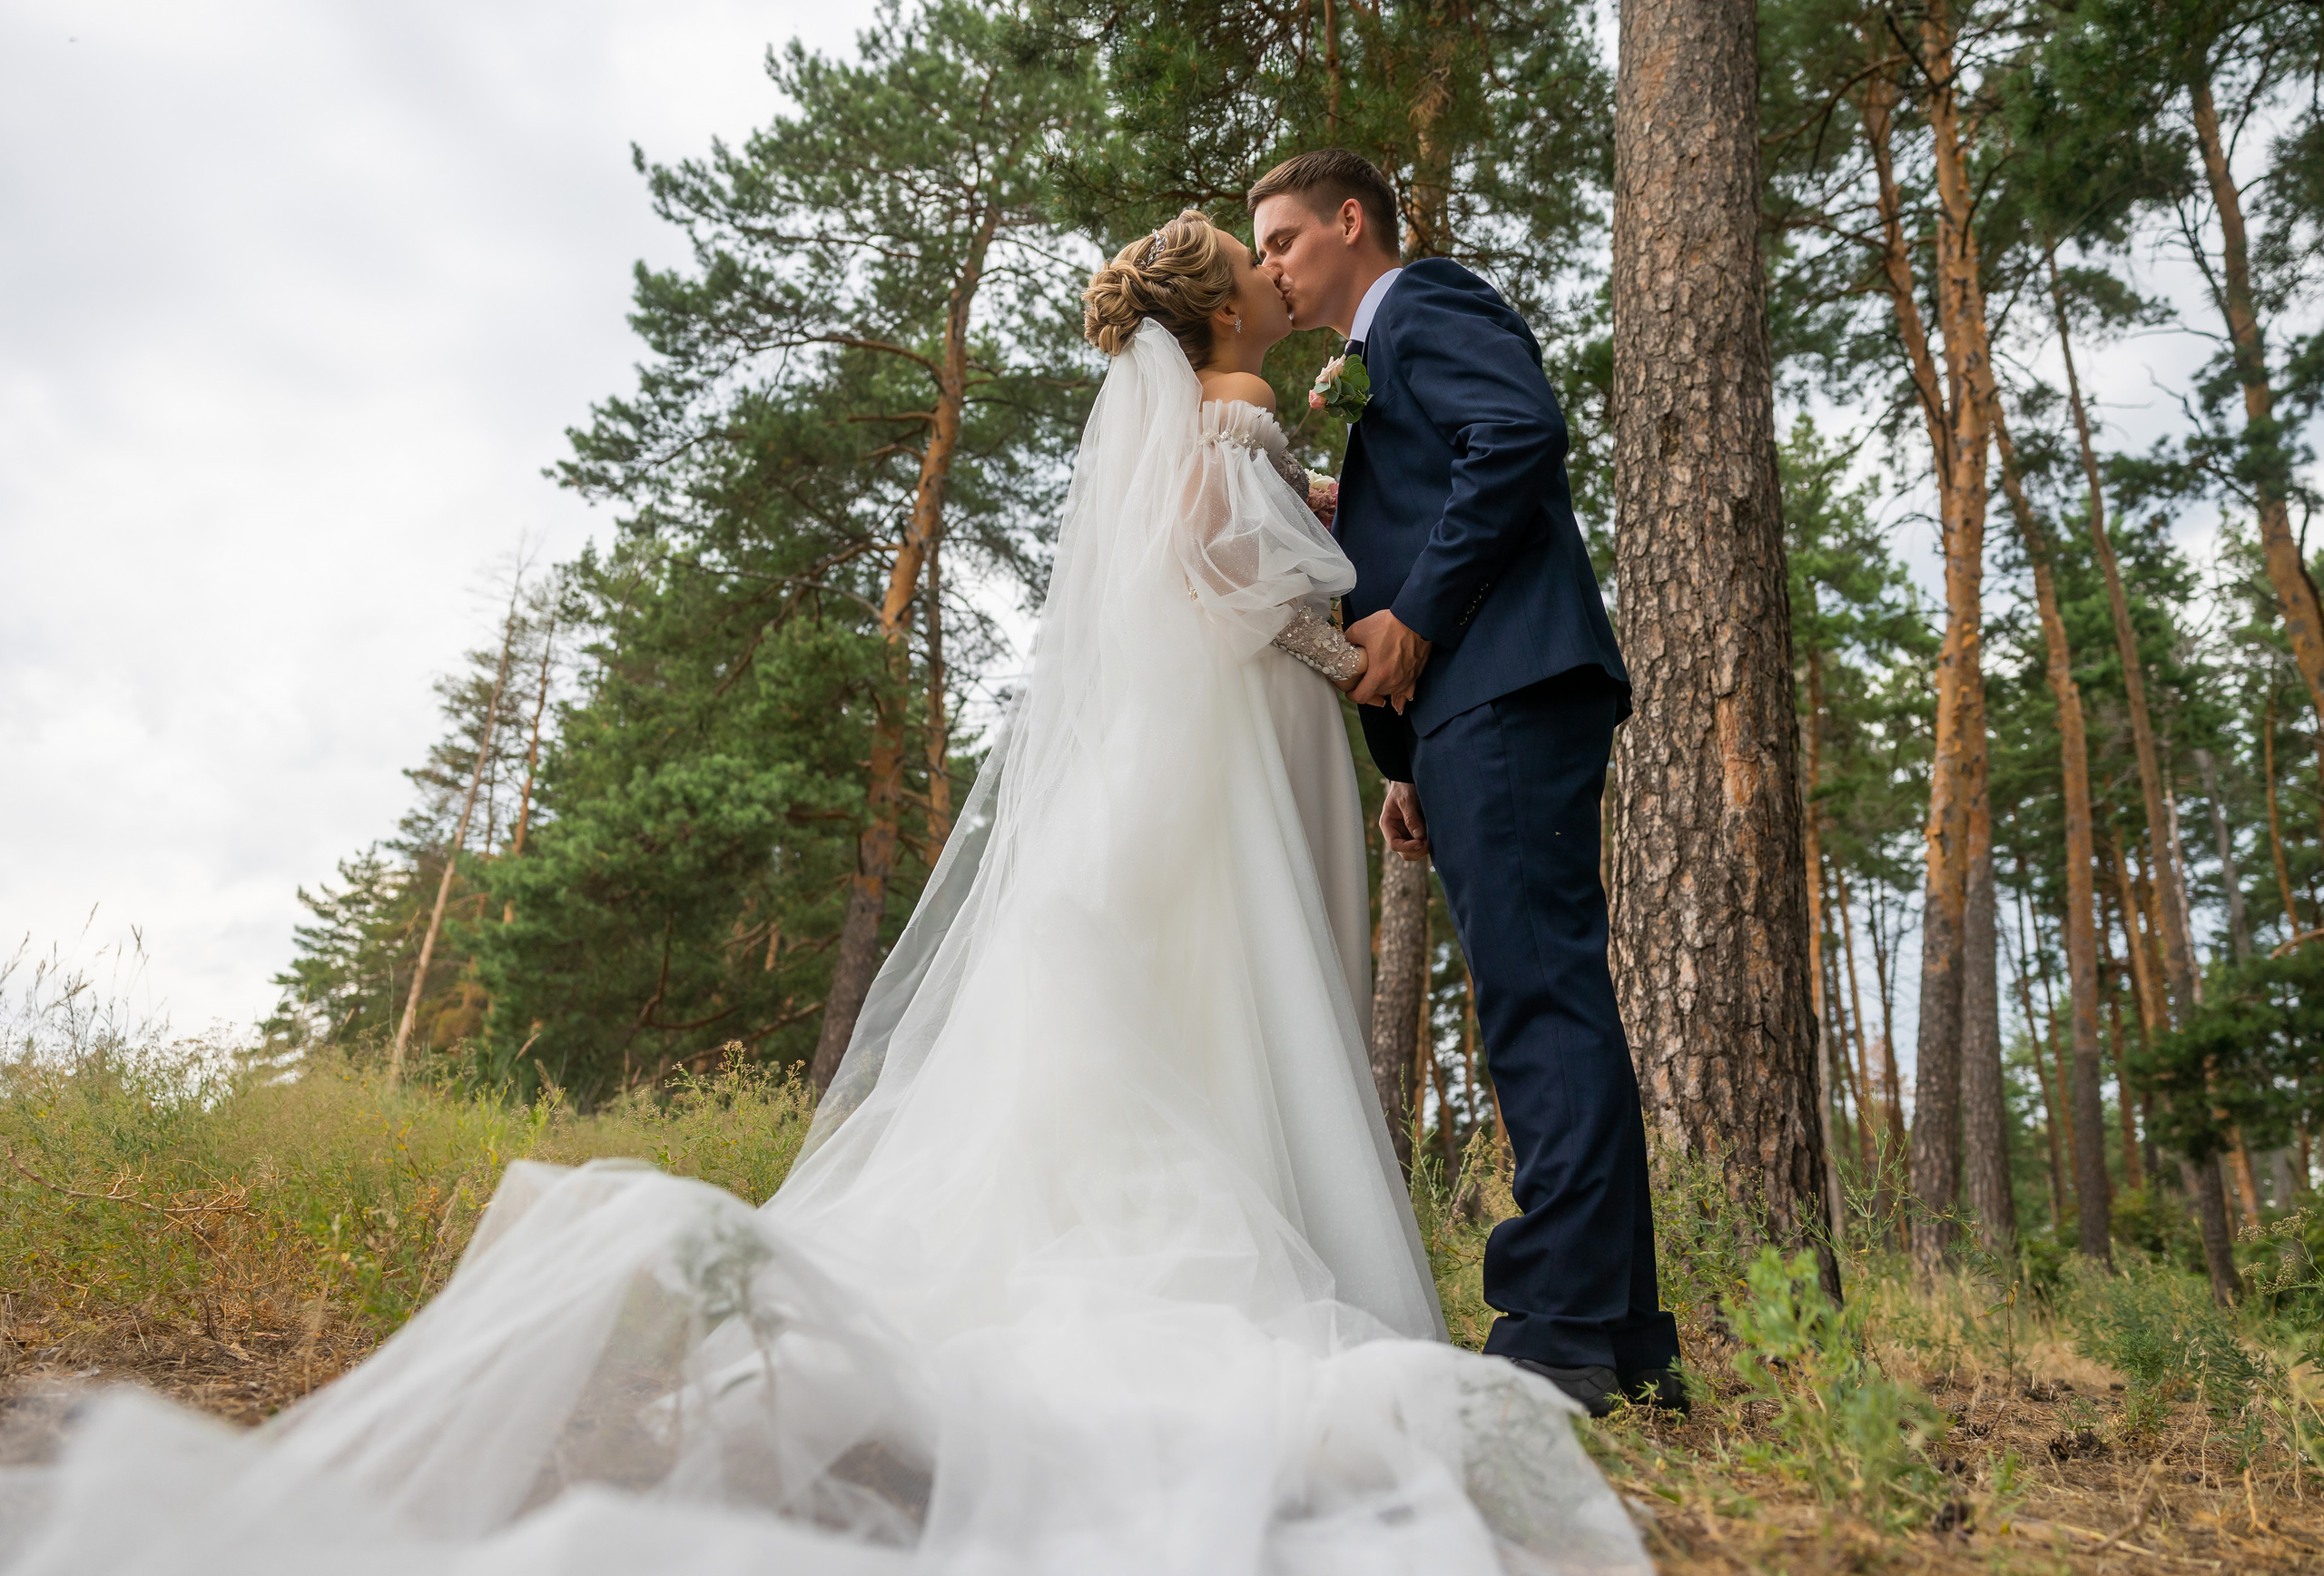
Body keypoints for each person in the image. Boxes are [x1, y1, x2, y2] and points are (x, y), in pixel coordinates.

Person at [0, 211, 1648, 1576]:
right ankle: (1545, 1319)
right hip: (1265, 731)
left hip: (1314, 730)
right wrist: (1337, 642)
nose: (1279, 272)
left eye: (1291, 240)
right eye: (1256, 253)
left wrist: (1371, 655)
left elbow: (1355, 518)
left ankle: (1580, 1318)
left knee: (1348, 995)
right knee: (1268, 989)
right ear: (1219, 300)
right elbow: (1227, 574)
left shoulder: (1331, 364)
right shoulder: (1228, 412)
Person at [1249, 150, 1683, 1419]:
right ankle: (1620, 1343)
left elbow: (1518, 435)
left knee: (1540, 1005)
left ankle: (1555, 1334)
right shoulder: (1381, 369)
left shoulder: (1430, 302)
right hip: (1470, 718)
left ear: (1350, 221)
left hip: (1504, 685)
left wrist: (1421, 626)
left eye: (1281, 238)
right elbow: (1442, 489)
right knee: (1541, 1000)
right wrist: (1409, 761)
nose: (1271, 264)